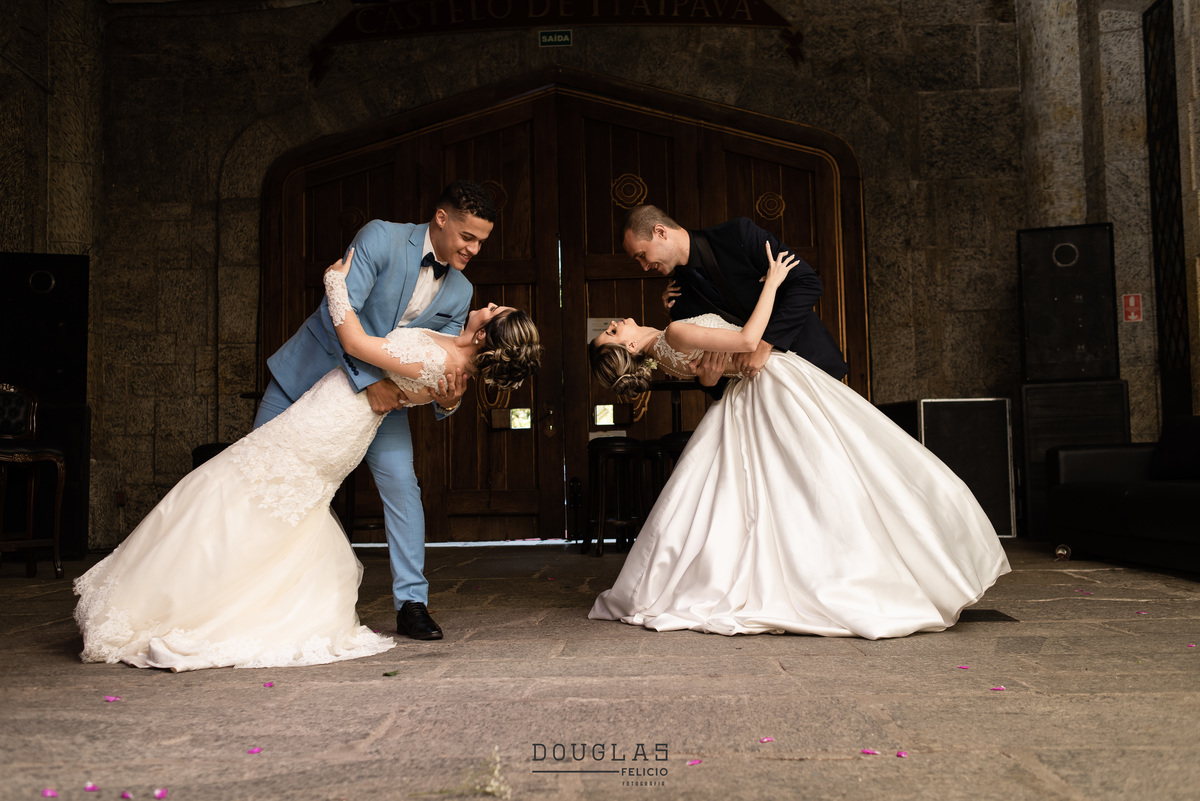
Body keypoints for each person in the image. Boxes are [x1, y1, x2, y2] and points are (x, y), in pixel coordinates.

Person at [73, 251, 541, 672]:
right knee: (263, 494)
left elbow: (358, 345)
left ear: (486, 335)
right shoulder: (452, 361)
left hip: (330, 421)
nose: (489, 304)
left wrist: (334, 284)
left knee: (239, 482)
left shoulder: (443, 361)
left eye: (496, 311)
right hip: (337, 417)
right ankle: (220, 591)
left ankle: (194, 599)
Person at [588, 244, 1010, 640]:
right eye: (611, 331)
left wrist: (682, 311)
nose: (615, 321)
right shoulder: (673, 336)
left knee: (789, 487)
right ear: (627, 346)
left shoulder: (667, 340)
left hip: (751, 389)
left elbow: (708, 374)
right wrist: (772, 282)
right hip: (771, 380)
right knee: (823, 475)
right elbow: (748, 342)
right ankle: (849, 573)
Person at [254, 180, 495, 641]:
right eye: (469, 237)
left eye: (482, 241)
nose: (475, 248)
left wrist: (449, 399)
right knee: (259, 477)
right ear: (441, 219)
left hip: (382, 407)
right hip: (306, 378)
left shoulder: (461, 291)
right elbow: (339, 311)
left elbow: (437, 362)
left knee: (403, 486)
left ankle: (412, 603)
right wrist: (371, 384)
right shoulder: (381, 237)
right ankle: (250, 586)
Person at [621, 204, 847, 386]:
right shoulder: (678, 301)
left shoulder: (738, 234)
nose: (643, 267)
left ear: (660, 232)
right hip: (759, 393)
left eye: (642, 255)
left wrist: (766, 343)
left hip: (814, 363)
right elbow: (713, 367)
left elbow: (807, 282)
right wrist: (708, 381)